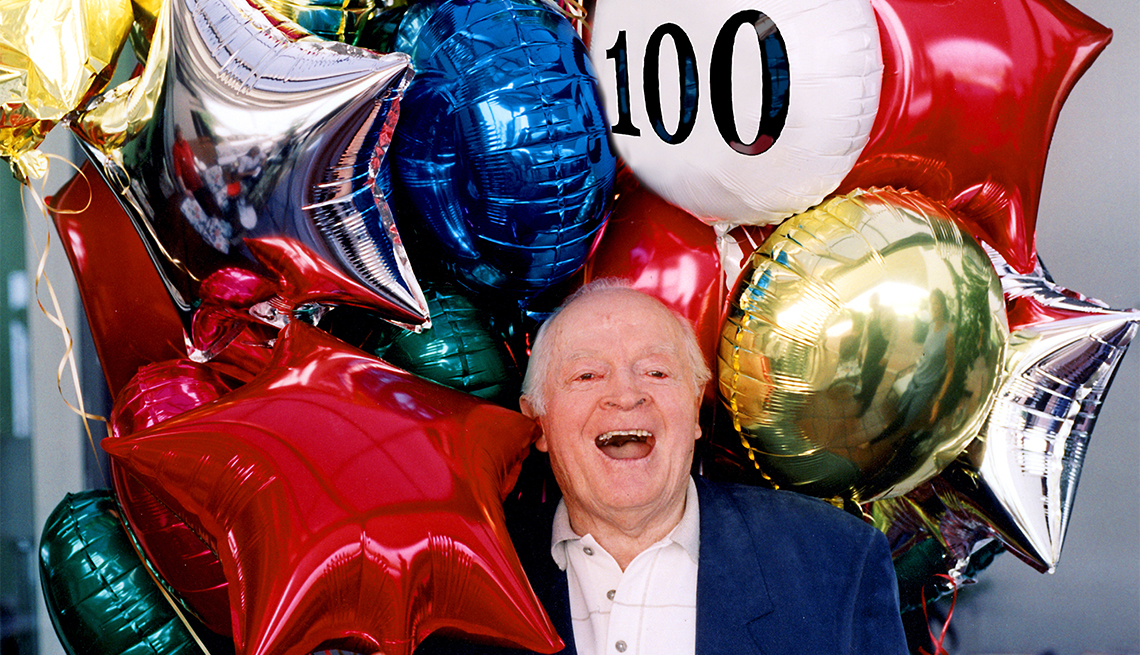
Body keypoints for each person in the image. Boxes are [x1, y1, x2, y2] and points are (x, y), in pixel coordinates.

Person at [416, 279, 909, 655]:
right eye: (587, 374)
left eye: (656, 371)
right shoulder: (460, 586)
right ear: (539, 424)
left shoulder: (837, 559)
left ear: (695, 407)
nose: (627, 395)